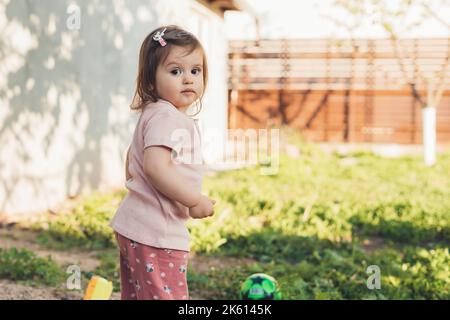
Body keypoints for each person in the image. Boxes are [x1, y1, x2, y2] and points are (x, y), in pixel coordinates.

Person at [110, 25, 215, 300]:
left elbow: (130, 158)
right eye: (175, 71)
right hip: (156, 234)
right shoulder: (168, 118)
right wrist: (193, 200)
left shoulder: (154, 114)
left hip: (136, 227)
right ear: (149, 81)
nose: (188, 79)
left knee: (139, 295)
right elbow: (156, 167)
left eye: (196, 70)